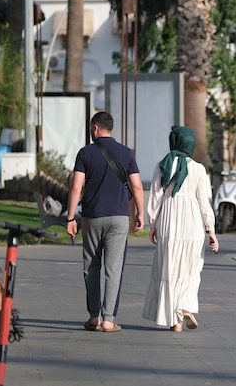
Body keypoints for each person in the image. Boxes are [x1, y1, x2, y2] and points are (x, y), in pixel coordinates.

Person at [66, 112, 144, 333]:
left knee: (91, 266)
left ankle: (94, 317)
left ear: (96, 128)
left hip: (92, 217)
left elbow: (75, 188)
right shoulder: (126, 153)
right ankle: (108, 319)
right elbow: (137, 186)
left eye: (92, 128)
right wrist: (140, 214)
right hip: (119, 217)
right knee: (113, 268)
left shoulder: (85, 153)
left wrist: (70, 217)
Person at [142, 126, 219, 332]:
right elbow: (204, 202)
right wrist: (210, 230)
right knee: (191, 268)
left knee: (169, 267)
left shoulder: (162, 166)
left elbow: (156, 198)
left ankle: (174, 321)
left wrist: (153, 224)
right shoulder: (198, 169)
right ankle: (184, 306)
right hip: (192, 224)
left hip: (169, 222)